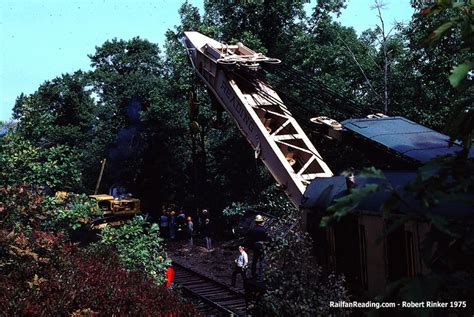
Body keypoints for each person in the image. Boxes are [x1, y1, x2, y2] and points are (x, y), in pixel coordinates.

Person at [248, 214, 267, 282]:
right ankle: (260, 276)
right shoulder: (263, 230)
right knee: (261, 261)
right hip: (261, 246)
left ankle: (253, 275)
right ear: (261, 221)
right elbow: (266, 239)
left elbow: (249, 238)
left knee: (254, 260)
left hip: (254, 246)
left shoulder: (252, 229)